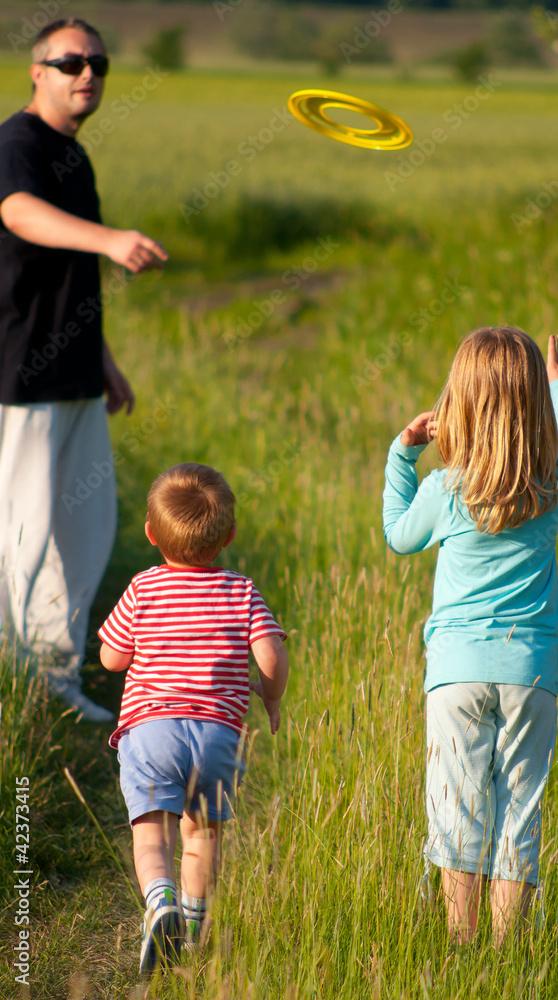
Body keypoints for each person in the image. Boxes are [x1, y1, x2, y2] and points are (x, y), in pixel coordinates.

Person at [382, 328, 558, 945]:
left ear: (460, 402)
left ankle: (461, 941)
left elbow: (397, 535)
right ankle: (508, 952)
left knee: (458, 811)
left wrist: (403, 452)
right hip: (531, 674)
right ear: (531, 403)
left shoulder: (448, 489)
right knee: (519, 811)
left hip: (455, 674)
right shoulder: (552, 481)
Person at [0, 18, 168, 721]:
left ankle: (53, 679)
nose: (87, 74)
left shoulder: (75, 156)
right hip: (20, 377)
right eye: (70, 62)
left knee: (85, 527)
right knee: (19, 530)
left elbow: (70, 276)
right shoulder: (17, 144)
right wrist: (111, 239)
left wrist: (105, 361)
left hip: (74, 374)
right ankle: (11, 683)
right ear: (37, 72)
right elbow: (17, 213)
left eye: (97, 62)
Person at [98, 463, 289, 973]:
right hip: (217, 737)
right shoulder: (242, 591)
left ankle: (159, 902)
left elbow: (113, 659)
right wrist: (270, 697)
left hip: (152, 730)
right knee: (201, 835)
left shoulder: (142, 588)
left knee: (151, 833)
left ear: (150, 534)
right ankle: (193, 928)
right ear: (229, 535)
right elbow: (271, 658)